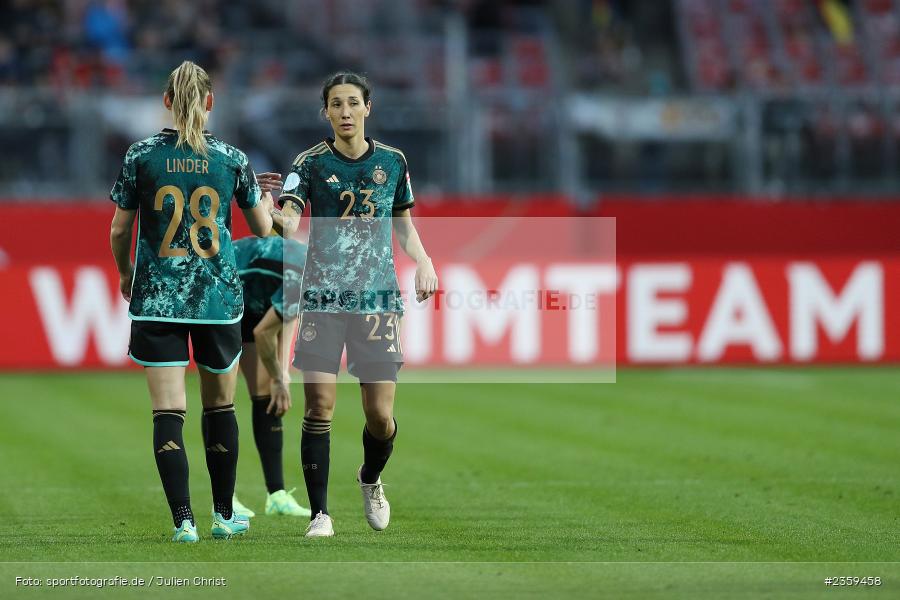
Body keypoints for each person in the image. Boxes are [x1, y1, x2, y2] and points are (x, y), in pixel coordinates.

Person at [259, 71, 438, 538]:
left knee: (380, 417)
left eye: (352, 103)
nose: (344, 112)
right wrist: (270, 213)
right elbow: (290, 221)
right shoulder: (310, 163)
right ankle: (320, 514)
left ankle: (370, 479)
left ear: (367, 108)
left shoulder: (393, 162)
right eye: (335, 104)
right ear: (326, 111)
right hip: (322, 298)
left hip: (377, 300)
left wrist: (423, 261)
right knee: (319, 406)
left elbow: (402, 225)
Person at [109, 61, 273, 543]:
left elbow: (120, 228)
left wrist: (125, 273)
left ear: (165, 101)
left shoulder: (140, 155)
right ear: (210, 102)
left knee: (167, 412)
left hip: (157, 297)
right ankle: (224, 515)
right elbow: (264, 230)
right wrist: (270, 202)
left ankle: (184, 521)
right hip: (217, 300)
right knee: (220, 406)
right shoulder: (231, 158)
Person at [231, 233, 311, 518]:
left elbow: (286, 315)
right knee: (220, 399)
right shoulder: (312, 273)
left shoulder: (313, 268)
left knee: (267, 396)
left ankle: (276, 495)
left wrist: (283, 374)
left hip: (256, 295)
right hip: (224, 289)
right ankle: (224, 499)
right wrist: (280, 377)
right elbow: (263, 333)